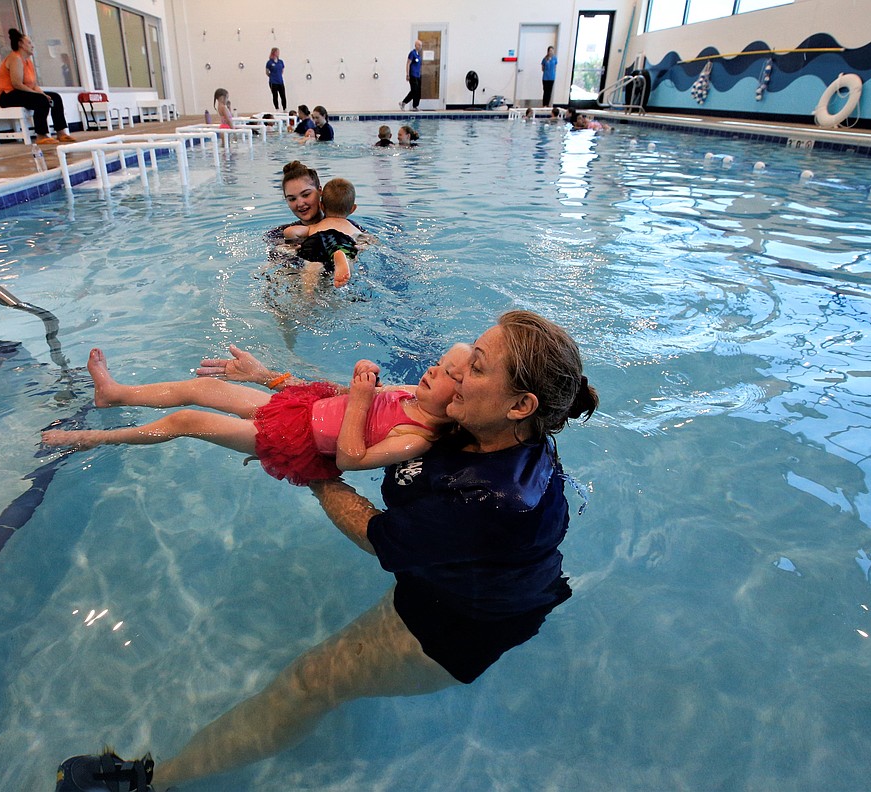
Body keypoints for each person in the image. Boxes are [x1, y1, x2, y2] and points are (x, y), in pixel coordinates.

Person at [54, 311, 599, 792]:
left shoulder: (490, 497)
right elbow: (373, 407)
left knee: (310, 684)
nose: (453, 377)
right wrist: (272, 380)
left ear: (521, 404)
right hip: (456, 571)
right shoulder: (481, 419)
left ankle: (154, 783)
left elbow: (378, 539)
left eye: (476, 368)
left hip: (459, 622)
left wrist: (310, 472)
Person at [41, 344, 468, 485]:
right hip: (300, 408)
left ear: (459, 402)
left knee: (187, 421)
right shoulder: (412, 393)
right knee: (203, 387)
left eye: (448, 372)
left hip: (295, 441)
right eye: (439, 360)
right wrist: (272, 378)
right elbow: (343, 394)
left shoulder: (417, 437)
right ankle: (114, 395)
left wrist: (359, 399)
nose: (432, 369)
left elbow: (350, 459)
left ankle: (89, 439)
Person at [0, 28, 74, 145]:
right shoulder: (15, 58)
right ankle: (41, 135)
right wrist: (40, 95)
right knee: (40, 100)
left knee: (55, 97)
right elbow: (17, 84)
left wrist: (43, 93)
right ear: (21, 44)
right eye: (29, 43)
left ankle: (61, 132)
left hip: (21, 93)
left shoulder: (28, 61)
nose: (33, 46)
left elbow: (34, 85)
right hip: (6, 96)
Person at [283, 178, 361, 289]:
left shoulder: (314, 227)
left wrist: (293, 240)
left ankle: (308, 295)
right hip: (342, 241)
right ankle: (341, 259)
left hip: (317, 239)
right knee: (352, 258)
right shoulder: (354, 228)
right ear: (353, 209)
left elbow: (290, 231)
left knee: (312, 266)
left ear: (322, 206)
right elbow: (368, 241)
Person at [399, 39, 423, 110]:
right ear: (416, 45)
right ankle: (404, 103)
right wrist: (407, 74)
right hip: (412, 75)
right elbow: (408, 63)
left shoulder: (418, 54)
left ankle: (414, 106)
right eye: (419, 45)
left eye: (421, 45)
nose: (420, 46)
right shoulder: (412, 53)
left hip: (418, 75)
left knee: (418, 92)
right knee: (414, 90)